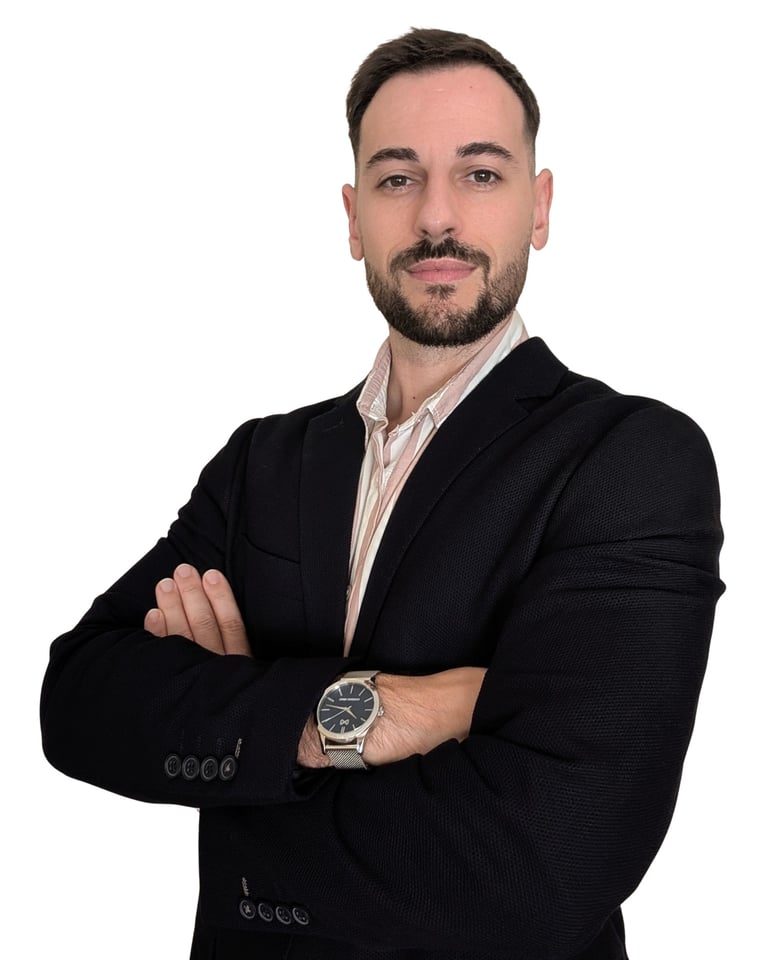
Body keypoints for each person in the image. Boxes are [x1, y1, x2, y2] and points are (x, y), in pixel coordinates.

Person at [40, 27, 724, 960]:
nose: (437, 216)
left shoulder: (630, 460)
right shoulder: (264, 462)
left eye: (480, 173)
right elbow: (79, 701)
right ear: (354, 216)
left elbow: (551, 865)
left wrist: (246, 776)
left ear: (539, 206)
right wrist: (365, 716)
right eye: (398, 178)